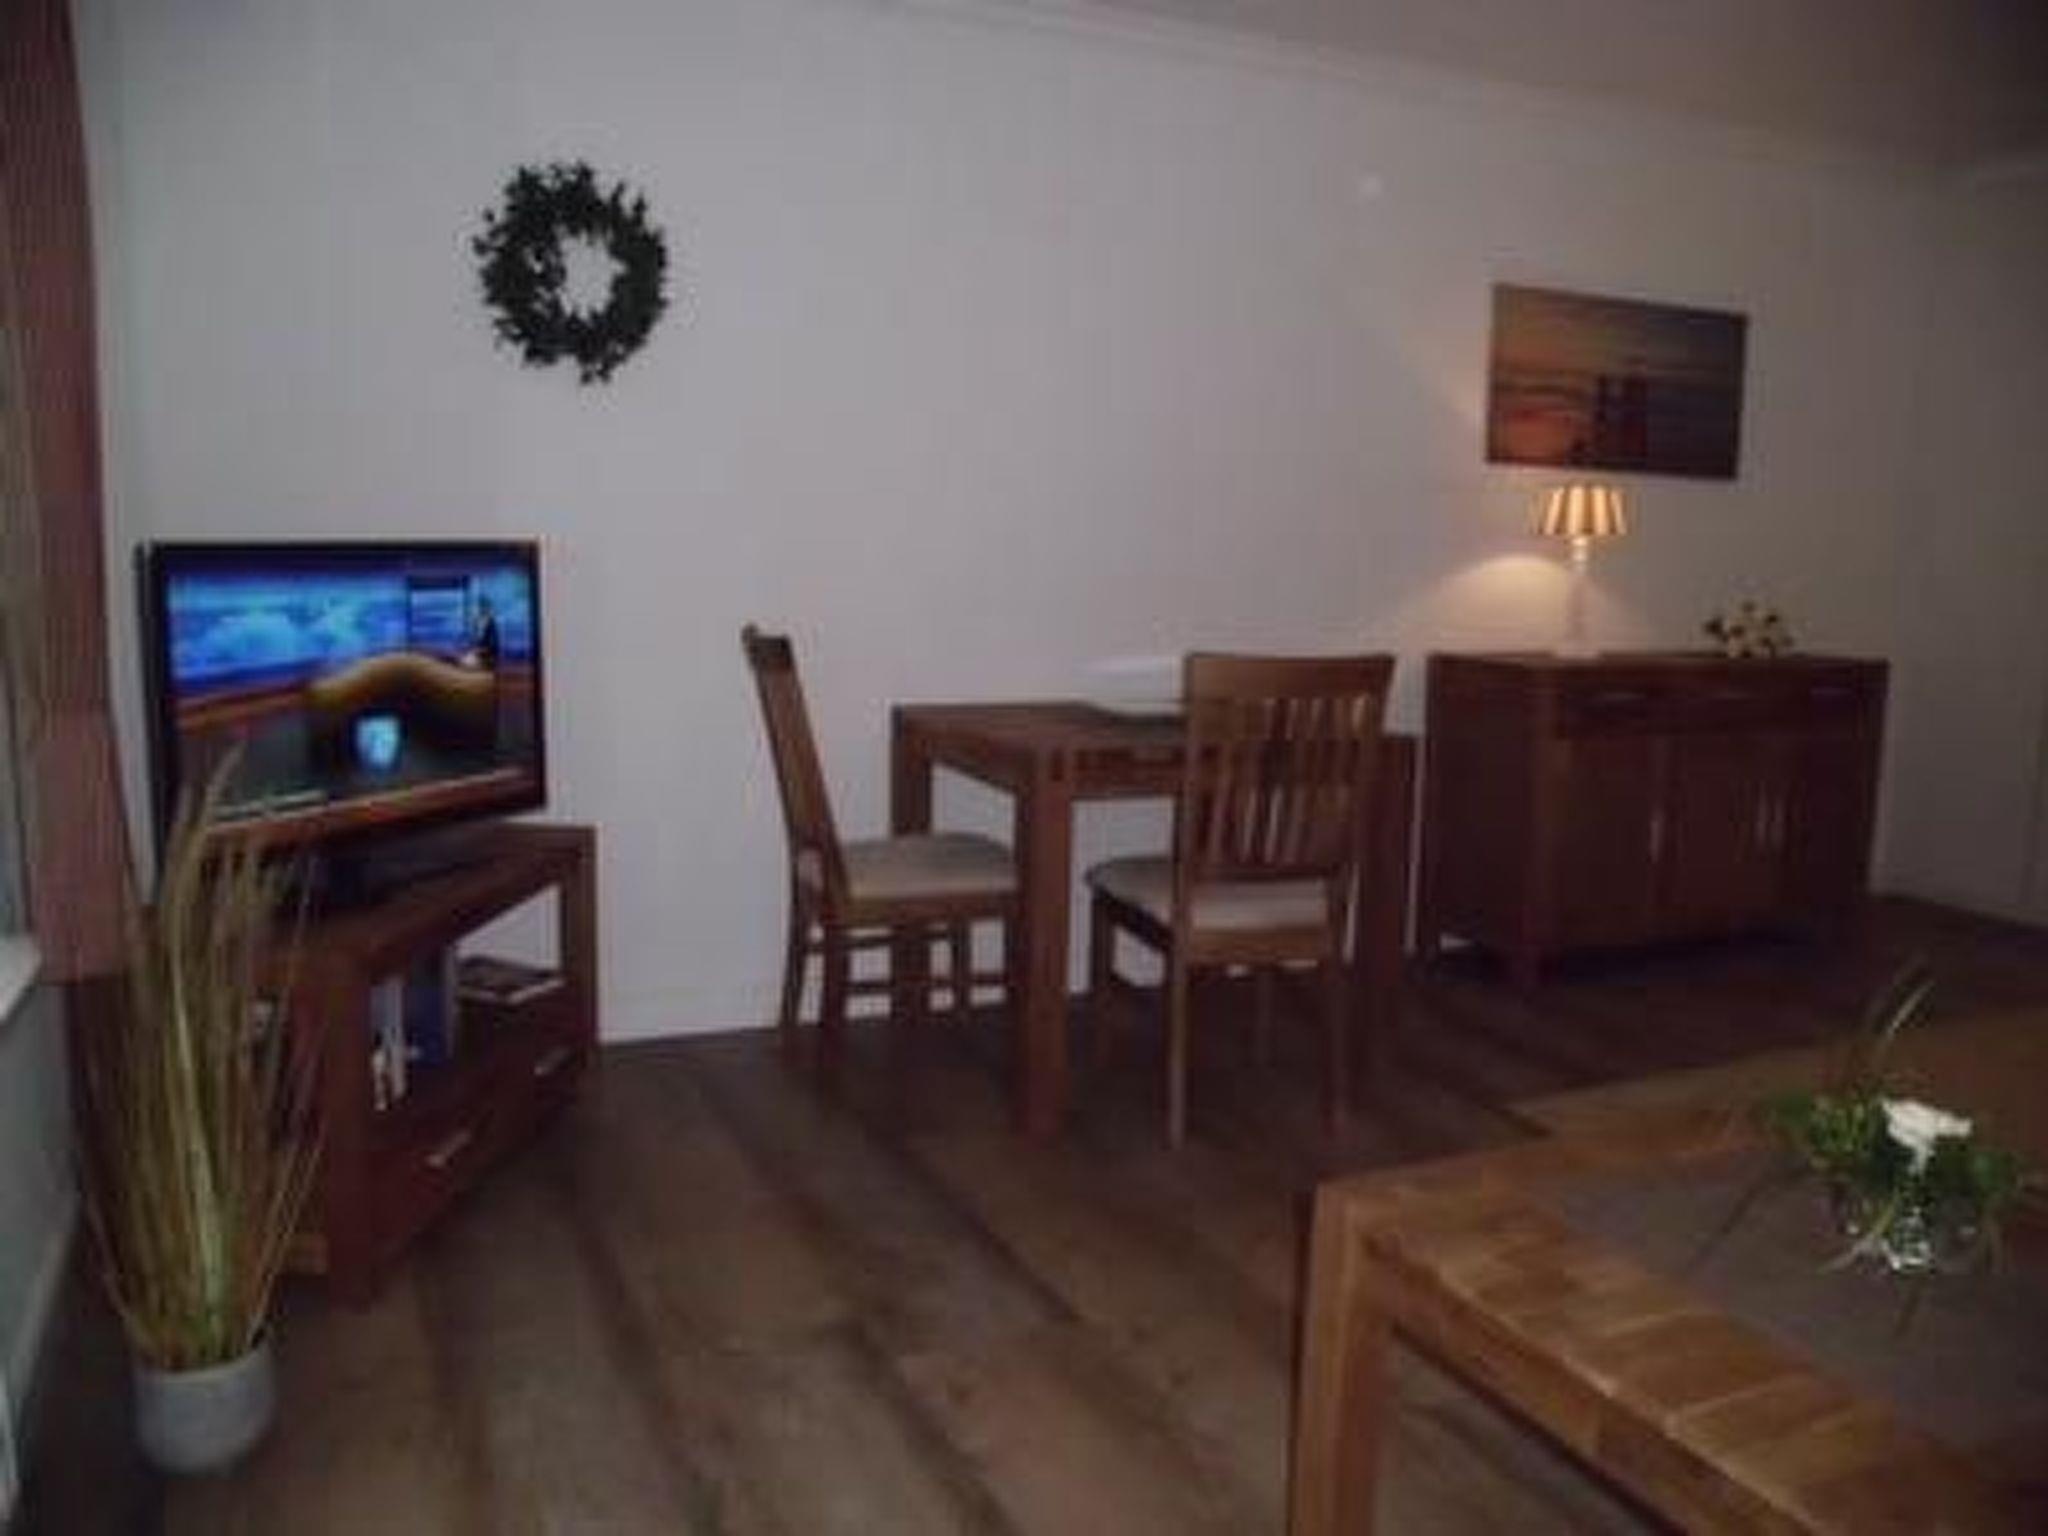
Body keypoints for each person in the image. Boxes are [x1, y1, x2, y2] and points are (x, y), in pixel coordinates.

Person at [466, 595, 500, 670]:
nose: (482, 609)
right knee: (468, 662)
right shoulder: (476, 621)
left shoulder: (491, 621)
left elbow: (495, 642)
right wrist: (474, 648)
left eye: (485, 607)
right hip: (479, 650)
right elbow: (474, 639)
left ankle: (485, 663)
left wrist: (485, 650)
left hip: (487, 652)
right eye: (480, 607)